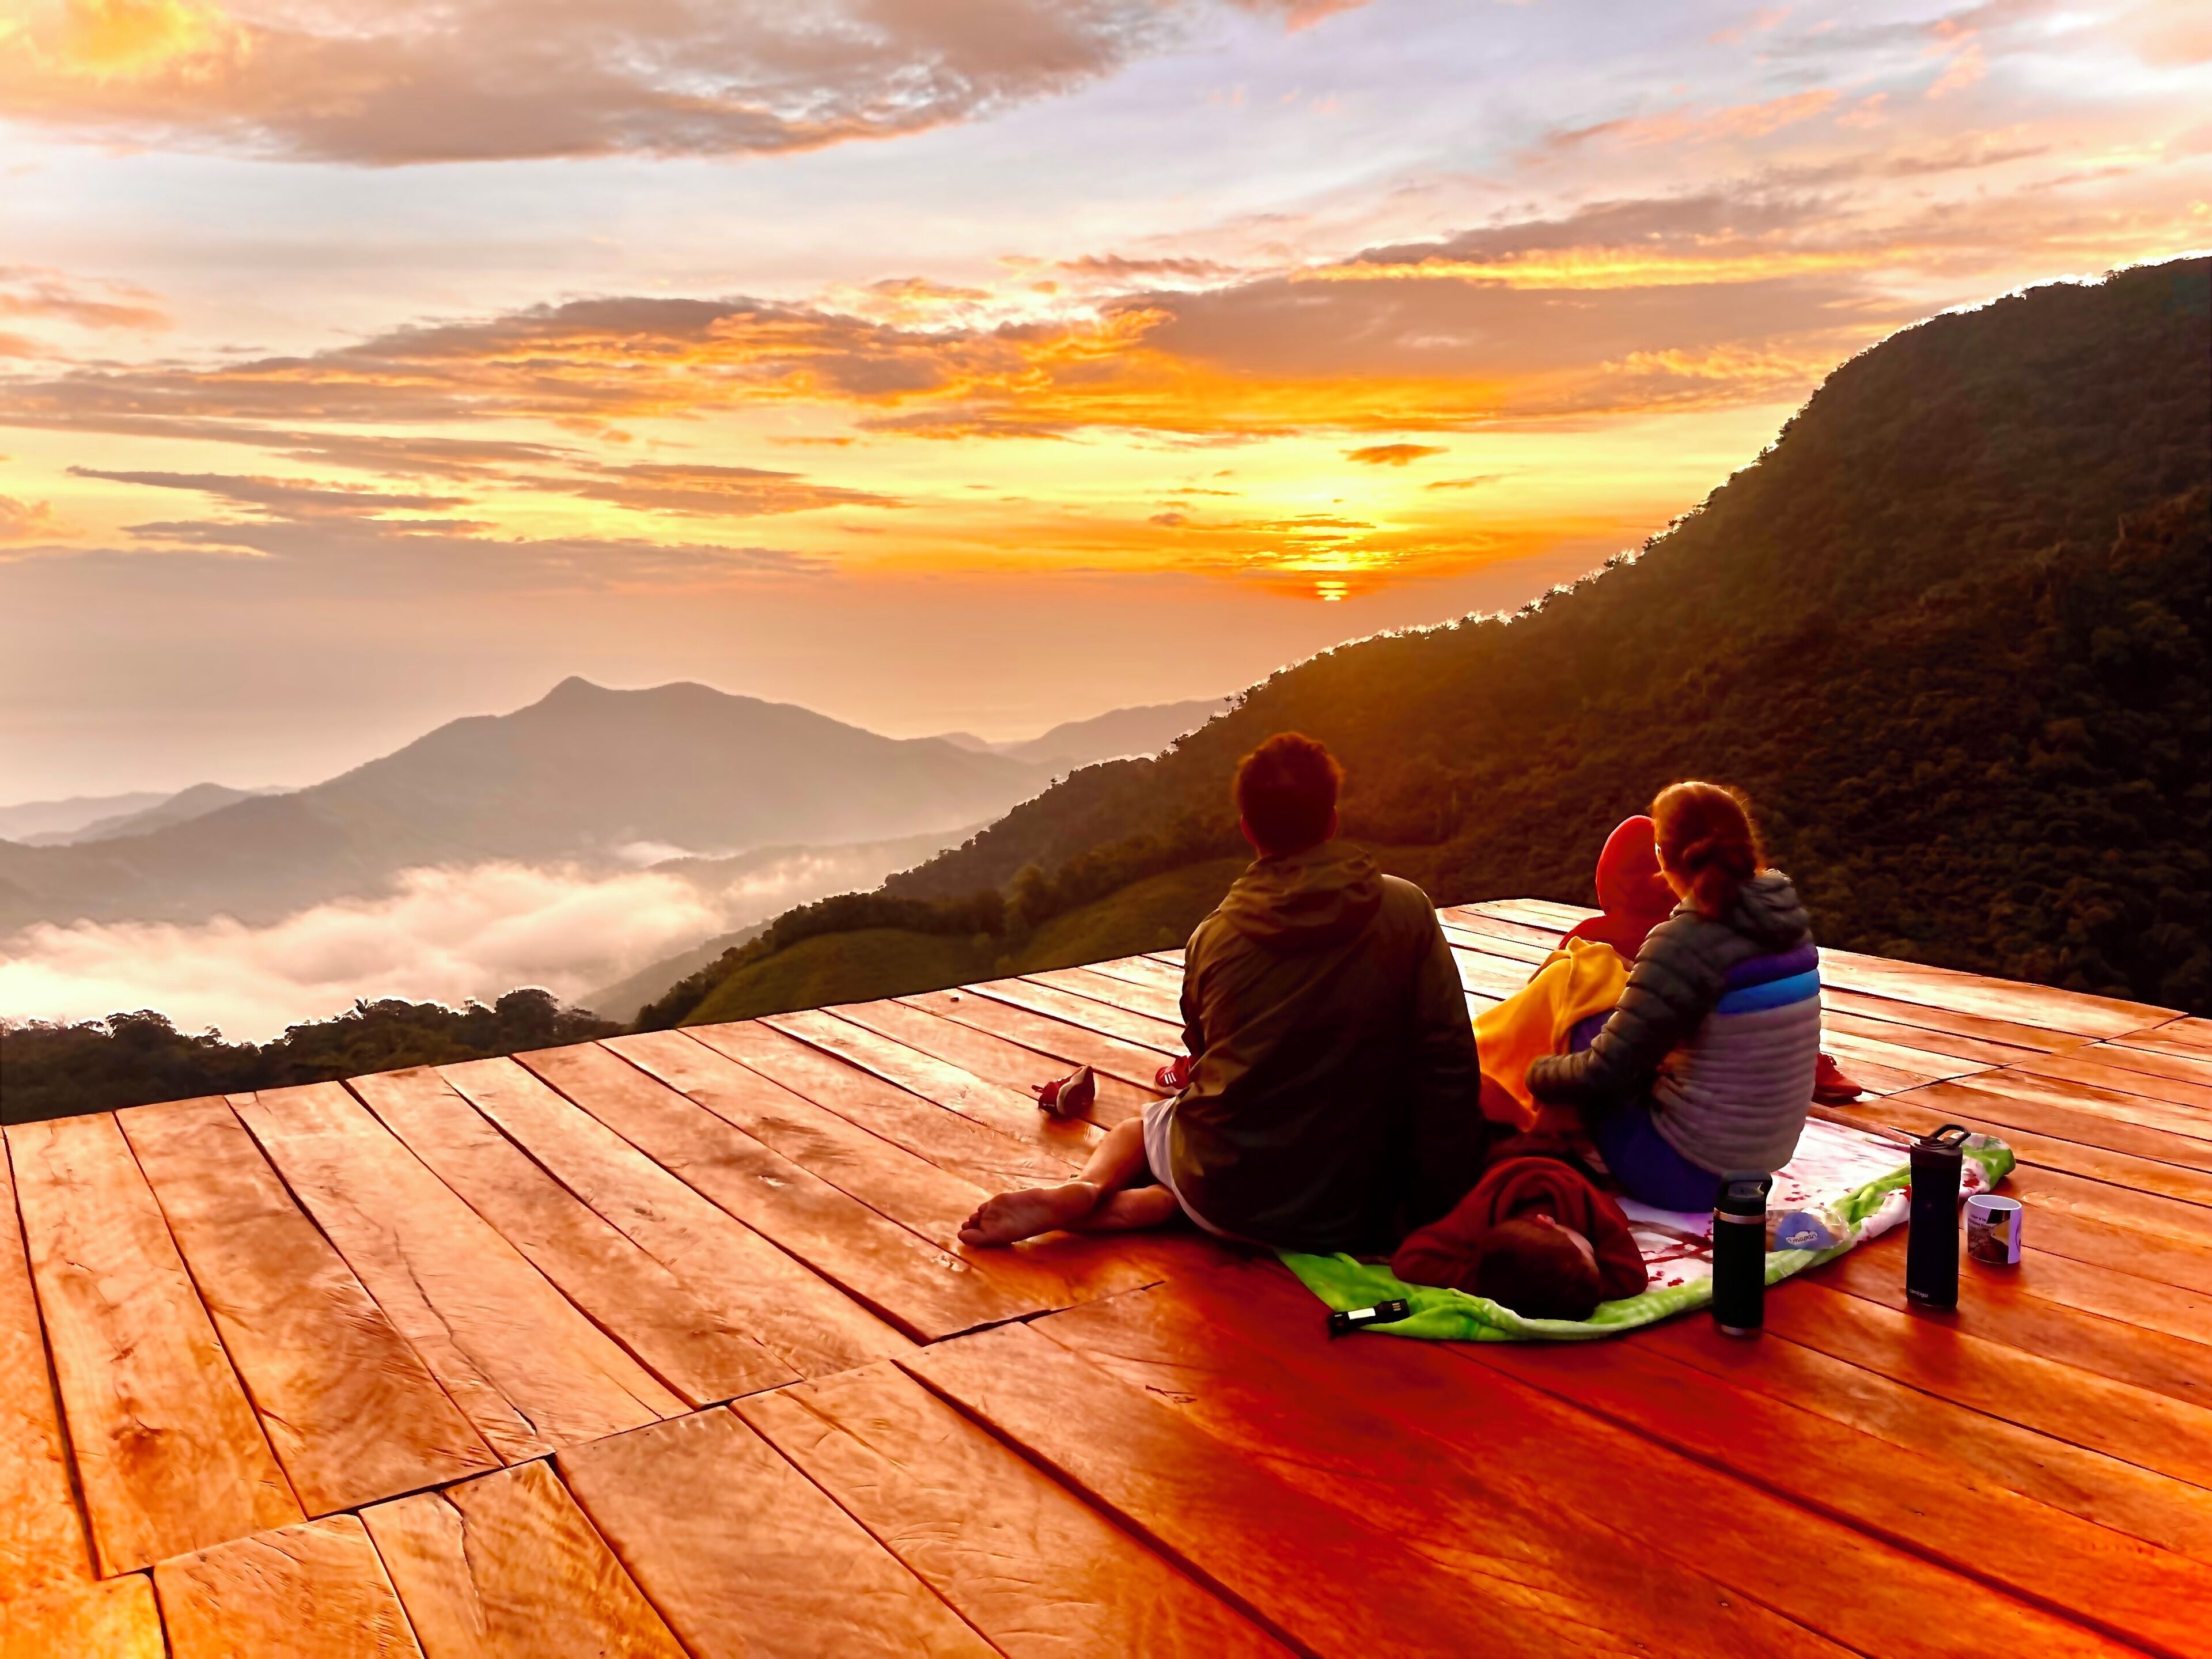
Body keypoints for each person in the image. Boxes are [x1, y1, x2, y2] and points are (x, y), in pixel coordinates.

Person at [959, 732, 1486, 1253]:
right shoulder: (1407, 908)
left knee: (1147, 1125)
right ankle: (1159, 1205)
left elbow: (1207, 1056)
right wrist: (1440, 1199)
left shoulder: (1214, 936)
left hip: (1227, 1194)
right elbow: (1448, 1058)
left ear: (1248, 829)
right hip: (1362, 1209)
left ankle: (1095, 1190)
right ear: (1332, 819)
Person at [1526, 782, 1821, 1212]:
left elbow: (1603, 1074)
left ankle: (1569, 1140)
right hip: (1757, 1170)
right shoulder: (1788, 919)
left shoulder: (1685, 941)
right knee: (1638, 1033)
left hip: (1685, 1176)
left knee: (1585, 1018)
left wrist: (1538, 1072)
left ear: (1662, 858)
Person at [1390, 1140, 1647, 1320]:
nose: (1596, 1256)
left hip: (1564, 1160)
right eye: (1593, 1258)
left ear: (1547, 1221)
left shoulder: (1588, 1203)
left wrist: (1503, 1283)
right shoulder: (1480, 1213)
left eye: (1591, 1257)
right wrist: (1504, 1281)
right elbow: (1410, 1259)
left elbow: (1633, 1277)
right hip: (1500, 1164)